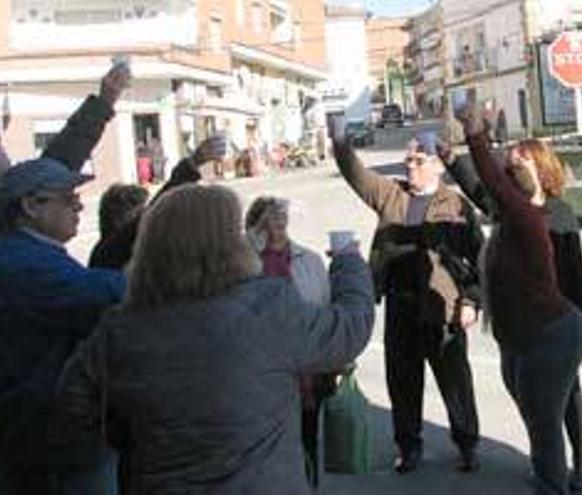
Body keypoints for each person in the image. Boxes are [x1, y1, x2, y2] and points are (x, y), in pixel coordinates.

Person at [56, 184, 375, 494]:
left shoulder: (122, 328)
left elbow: (74, 399)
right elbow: (349, 329)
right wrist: (348, 262)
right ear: (225, 244)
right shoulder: (265, 308)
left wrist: (134, 438)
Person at [0, 63, 130, 494]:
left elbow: (51, 168)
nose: (79, 206)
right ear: (31, 208)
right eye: (69, 199)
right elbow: (113, 294)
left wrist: (103, 102)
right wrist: (178, 253)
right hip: (47, 440)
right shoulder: (26, 264)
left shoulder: (26, 236)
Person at [440, 141, 582, 491]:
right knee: (538, 412)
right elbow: (484, 188)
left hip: (554, 327)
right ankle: (549, 468)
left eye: (520, 162)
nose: (512, 168)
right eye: (509, 165)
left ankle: (575, 468)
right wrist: (452, 159)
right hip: (517, 334)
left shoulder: (556, 213)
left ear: (540, 168)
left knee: (559, 406)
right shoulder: (507, 212)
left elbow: (574, 273)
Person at [332, 126, 484, 473]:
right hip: (400, 306)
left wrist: (472, 301)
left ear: (436, 166)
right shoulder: (391, 195)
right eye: (407, 160)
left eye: (417, 160)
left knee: (455, 382)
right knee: (402, 383)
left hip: (442, 308)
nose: (409, 167)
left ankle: (467, 444)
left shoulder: (456, 204)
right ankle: (409, 447)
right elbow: (355, 174)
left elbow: (480, 258)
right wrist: (339, 140)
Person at [244, 196, 336, 487]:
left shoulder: (309, 261)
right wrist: (253, 241)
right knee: (266, 454)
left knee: (307, 443)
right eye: (269, 218)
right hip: (260, 379)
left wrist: (333, 359)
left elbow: (324, 310)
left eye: (281, 216)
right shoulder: (242, 265)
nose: (277, 223)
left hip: (307, 375)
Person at [88, 135, 226, 270]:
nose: (145, 218)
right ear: (118, 218)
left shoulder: (122, 251)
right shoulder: (109, 252)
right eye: (138, 214)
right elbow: (156, 210)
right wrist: (193, 163)